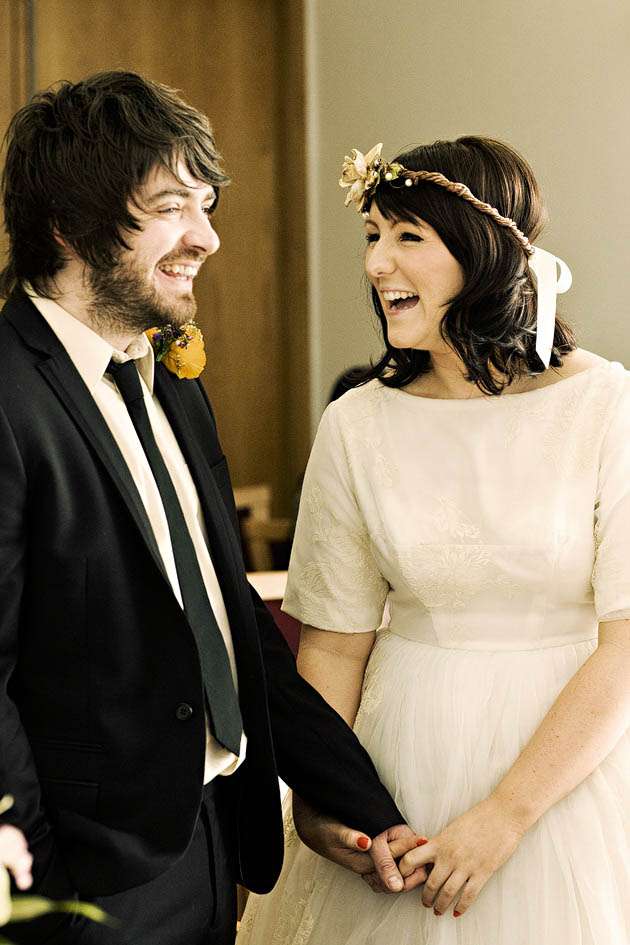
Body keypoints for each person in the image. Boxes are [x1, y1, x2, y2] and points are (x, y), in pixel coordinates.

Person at [0, 72, 420, 945]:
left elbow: (229, 620)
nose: (208, 236)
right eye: (171, 207)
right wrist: (42, 900)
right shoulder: (8, 396)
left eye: (206, 204)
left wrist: (365, 807)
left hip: (212, 840)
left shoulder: (172, 383)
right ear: (66, 223)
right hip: (84, 887)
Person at [237, 137, 630, 944]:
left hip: (571, 771)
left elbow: (626, 644)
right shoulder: (355, 425)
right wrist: (322, 803)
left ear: (484, 254)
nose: (376, 262)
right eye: (372, 235)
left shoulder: (606, 405)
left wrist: (506, 814)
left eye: (407, 236)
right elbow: (334, 647)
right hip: (399, 765)